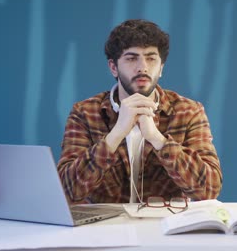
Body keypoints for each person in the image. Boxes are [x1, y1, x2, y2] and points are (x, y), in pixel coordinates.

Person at [57, 19, 222, 205]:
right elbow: (66, 190)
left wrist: (158, 139)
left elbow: (209, 189)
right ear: (113, 68)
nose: (142, 67)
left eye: (151, 58)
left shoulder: (188, 111)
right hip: (104, 227)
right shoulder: (85, 112)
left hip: (165, 226)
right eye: (131, 58)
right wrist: (116, 135)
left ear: (161, 69)